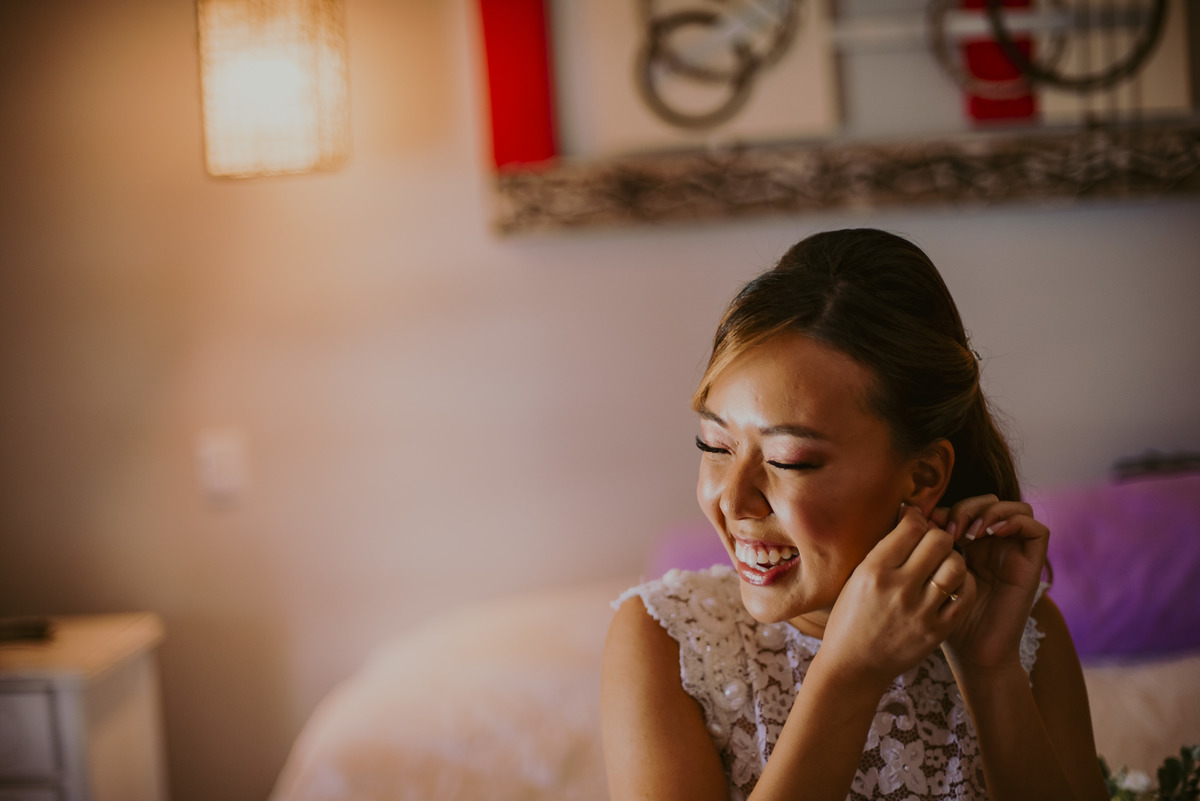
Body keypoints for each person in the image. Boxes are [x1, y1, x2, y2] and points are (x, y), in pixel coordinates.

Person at [601, 229, 1108, 801]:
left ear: (921, 477)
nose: (734, 500)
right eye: (715, 446)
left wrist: (991, 672)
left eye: (788, 460)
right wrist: (846, 676)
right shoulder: (665, 639)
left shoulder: (1024, 634)